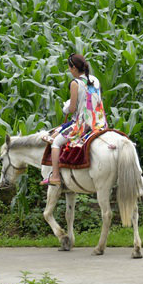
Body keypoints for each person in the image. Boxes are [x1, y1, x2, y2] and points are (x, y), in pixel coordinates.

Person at [42, 53, 108, 185]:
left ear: (73, 68)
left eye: (69, 68)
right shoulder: (95, 80)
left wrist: (65, 108)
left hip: (82, 124)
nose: (69, 70)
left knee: (55, 143)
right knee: (59, 131)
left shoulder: (75, 83)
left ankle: (55, 176)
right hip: (99, 123)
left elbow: (72, 109)